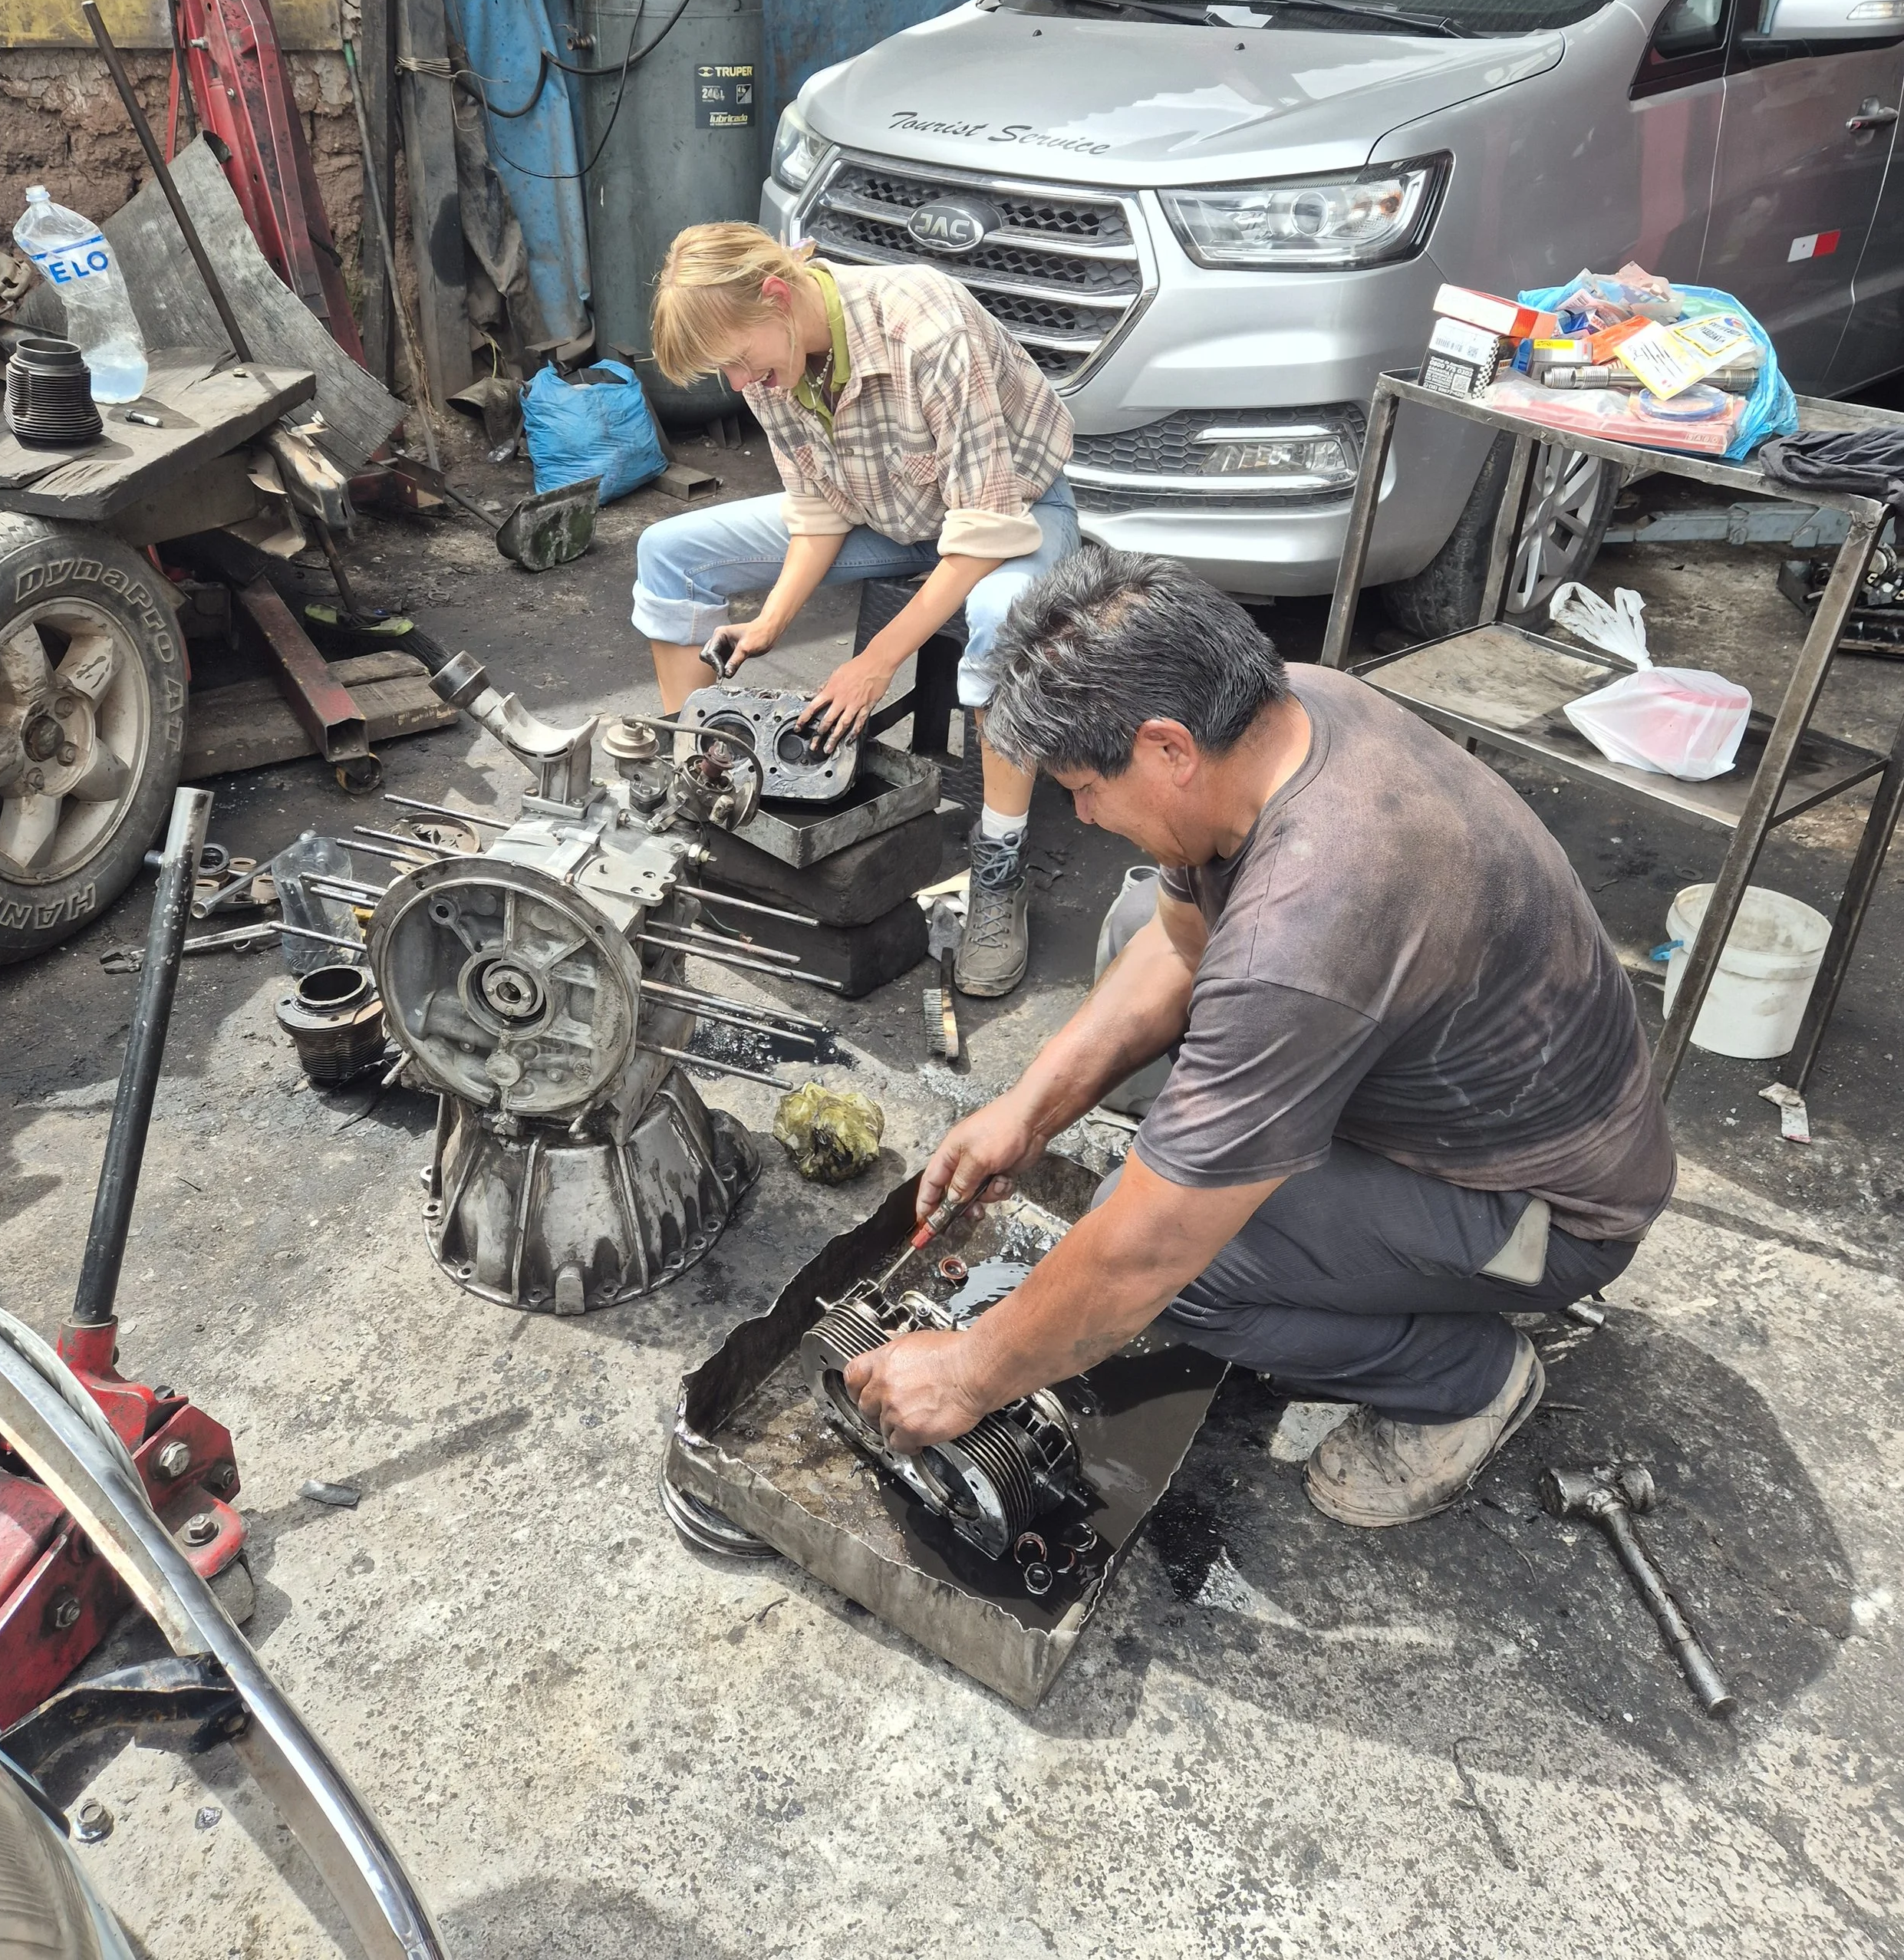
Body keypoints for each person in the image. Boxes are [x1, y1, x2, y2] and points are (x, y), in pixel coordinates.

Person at [841, 550, 1675, 1527]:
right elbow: (1178, 949)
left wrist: (971, 1372)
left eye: (1082, 787)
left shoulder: (1309, 921)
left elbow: (1142, 1260)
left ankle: (1465, 1379)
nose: (1082, 814)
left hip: (1543, 1213)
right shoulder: (1291, 712)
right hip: (1452, 1088)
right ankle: (1338, 1245)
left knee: (1178, 1271)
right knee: (1129, 930)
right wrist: (1026, 1112)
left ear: (1165, 749)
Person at [632, 222, 1079, 996]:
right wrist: (771, 620)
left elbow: (981, 531)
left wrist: (874, 664)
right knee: (668, 552)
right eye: (724, 372)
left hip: (1014, 514)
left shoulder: (923, 326)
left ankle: (998, 871)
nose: (740, 383)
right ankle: (708, 799)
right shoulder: (774, 366)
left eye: (740, 359)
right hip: (886, 517)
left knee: (1002, 619)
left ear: (777, 294)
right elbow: (816, 512)